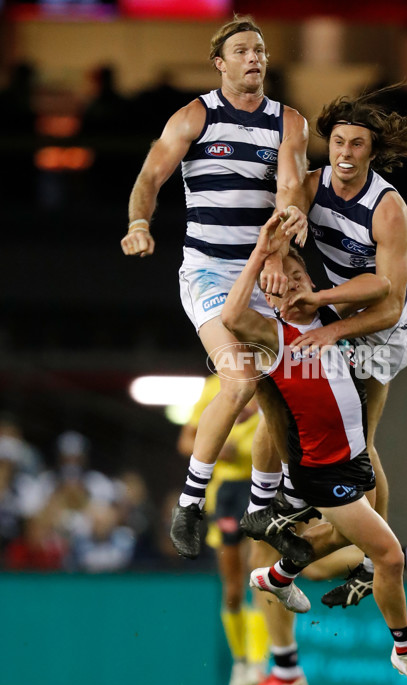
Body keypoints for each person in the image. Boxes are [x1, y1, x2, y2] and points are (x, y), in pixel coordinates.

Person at [242, 86, 407, 608]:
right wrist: (276, 254)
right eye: (339, 143)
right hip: (334, 316)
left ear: (373, 151)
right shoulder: (311, 183)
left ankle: (360, 559)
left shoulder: (388, 209)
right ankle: (281, 515)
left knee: (356, 448)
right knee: (274, 399)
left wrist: (326, 324)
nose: (346, 154)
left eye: (357, 146)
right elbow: (283, 218)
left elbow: (388, 302)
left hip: (381, 333)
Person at [220, 212, 407, 685]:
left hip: (352, 463)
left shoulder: (335, 321)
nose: (291, 285)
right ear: (271, 294)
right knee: (386, 557)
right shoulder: (272, 336)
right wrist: (263, 253)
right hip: (318, 472)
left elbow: (382, 288)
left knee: (332, 543)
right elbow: (230, 318)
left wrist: (323, 296)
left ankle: (278, 576)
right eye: (279, 284)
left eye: (298, 274)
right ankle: (406, 653)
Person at [119, 15, 309, 562]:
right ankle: (190, 502)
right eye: (243, 50)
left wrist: (281, 240)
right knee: (242, 377)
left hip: (264, 278)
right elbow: (151, 176)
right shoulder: (195, 115)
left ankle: (264, 506)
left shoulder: (287, 122)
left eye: (261, 50)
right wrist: (138, 223)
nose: (254, 58)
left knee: (285, 386)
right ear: (220, 64)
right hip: (207, 274)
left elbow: (290, 187)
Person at [177, 374, 270, 685]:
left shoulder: (273, 376)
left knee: (261, 577)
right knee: (233, 587)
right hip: (227, 493)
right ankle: (240, 663)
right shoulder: (214, 385)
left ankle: (259, 666)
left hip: (264, 488)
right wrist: (218, 448)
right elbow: (186, 440)